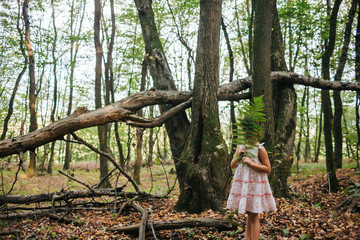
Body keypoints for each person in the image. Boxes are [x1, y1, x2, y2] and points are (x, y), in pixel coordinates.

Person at [226, 141, 277, 240]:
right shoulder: (241, 147)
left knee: (254, 216)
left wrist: (250, 163)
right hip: (245, 185)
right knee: (250, 213)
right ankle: (247, 237)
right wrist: (239, 155)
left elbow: (268, 168)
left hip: (254, 185)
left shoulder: (260, 148)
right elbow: (232, 165)